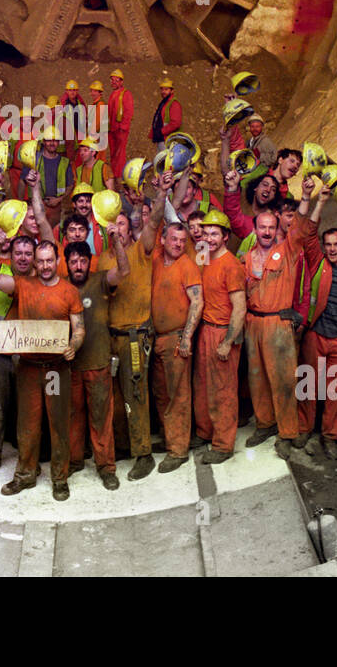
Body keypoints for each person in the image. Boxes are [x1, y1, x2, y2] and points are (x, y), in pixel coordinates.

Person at [0, 239, 86, 501]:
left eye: (49, 260)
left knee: (58, 424)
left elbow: (79, 328)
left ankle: (59, 478)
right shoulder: (23, 284)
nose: (45, 266)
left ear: (57, 261)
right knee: (27, 425)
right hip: (28, 368)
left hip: (55, 370)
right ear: (35, 263)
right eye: (40, 261)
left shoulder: (69, 291)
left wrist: (73, 345)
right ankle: (25, 475)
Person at [241, 176, 314, 457]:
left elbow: (300, 227)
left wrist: (305, 197)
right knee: (257, 378)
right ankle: (265, 423)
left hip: (278, 323)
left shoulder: (288, 250)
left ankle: (287, 432)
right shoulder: (248, 257)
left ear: (277, 229)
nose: (267, 232)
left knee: (283, 379)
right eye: (263, 227)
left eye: (272, 227)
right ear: (255, 229)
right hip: (253, 323)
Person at [294, 190, 337, 459]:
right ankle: (304, 429)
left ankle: (330, 437)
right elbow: (309, 233)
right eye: (328, 245)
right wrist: (320, 202)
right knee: (308, 385)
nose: (332, 249)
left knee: (336, 391)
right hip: (316, 335)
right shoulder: (318, 263)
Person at [66, 227, 130, 491]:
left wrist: (115, 240)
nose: (78, 266)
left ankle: (106, 467)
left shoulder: (101, 280)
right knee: (72, 415)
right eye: (73, 262)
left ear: (89, 262)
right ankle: (74, 460)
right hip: (69, 366)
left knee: (101, 418)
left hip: (99, 362)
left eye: (83, 261)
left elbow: (124, 270)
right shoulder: (60, 286)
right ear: (66, 264)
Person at [107, 202, 161, 481]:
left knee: (136, 395)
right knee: (117, 399)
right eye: (112, 224)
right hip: (111, 338)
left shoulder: (140, 251)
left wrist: (161, 192)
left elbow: (154, 221)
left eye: (122, 224)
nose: (116, 229)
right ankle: (123, 446)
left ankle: (144, 453)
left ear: (130, 230)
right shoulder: (101, 260)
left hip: (134, 337)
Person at [0, 231, 36, 479]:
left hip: (27, 356)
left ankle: (27, 461)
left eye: (28, 254)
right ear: (10, 256)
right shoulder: (3, 276)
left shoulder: (39, 281)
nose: (22, 258)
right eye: (18, 253)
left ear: (34, 257)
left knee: (27, 412)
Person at [147, 220, 203, 472]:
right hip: (158, 338)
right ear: (163, 240)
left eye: (182, 240)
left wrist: (187, 336)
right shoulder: (157, 260)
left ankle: (178, 450)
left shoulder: (187, 265)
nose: (179, 244)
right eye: (174, 239)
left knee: (178, 396)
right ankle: (170, 438)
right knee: (162, 393)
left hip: (177, 337)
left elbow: (197, 302)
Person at [192, 209, 246, 464]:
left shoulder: (232, 265)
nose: (209, 238)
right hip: (205, 328)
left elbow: (240, 308)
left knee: (223, 391)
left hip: (223, 332)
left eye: (215, 234)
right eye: (206, 233)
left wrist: (228, 342)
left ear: (226, 237)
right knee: (203, 386)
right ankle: (205, 432)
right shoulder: (204, 255)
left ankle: (223, 445)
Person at [107, 69, 133, 178]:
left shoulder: (126, 94)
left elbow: (128, 112)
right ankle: (114, 174)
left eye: (116, 80)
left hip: (120, 130)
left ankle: (119, 176)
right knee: (113, 154)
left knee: (120, 154)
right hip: (112, 129)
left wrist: (122, 127)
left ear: (121, 82)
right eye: (112, 80)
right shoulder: (113, 94)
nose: (114, 82)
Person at [150, 78, 182, 147]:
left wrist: (161, 131)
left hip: (169, 140)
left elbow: (176, 123)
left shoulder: (174, 104)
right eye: (162, 89)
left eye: (166, 89)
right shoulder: (163, 104)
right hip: (162, 138)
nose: (163, 91)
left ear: (172, 91)